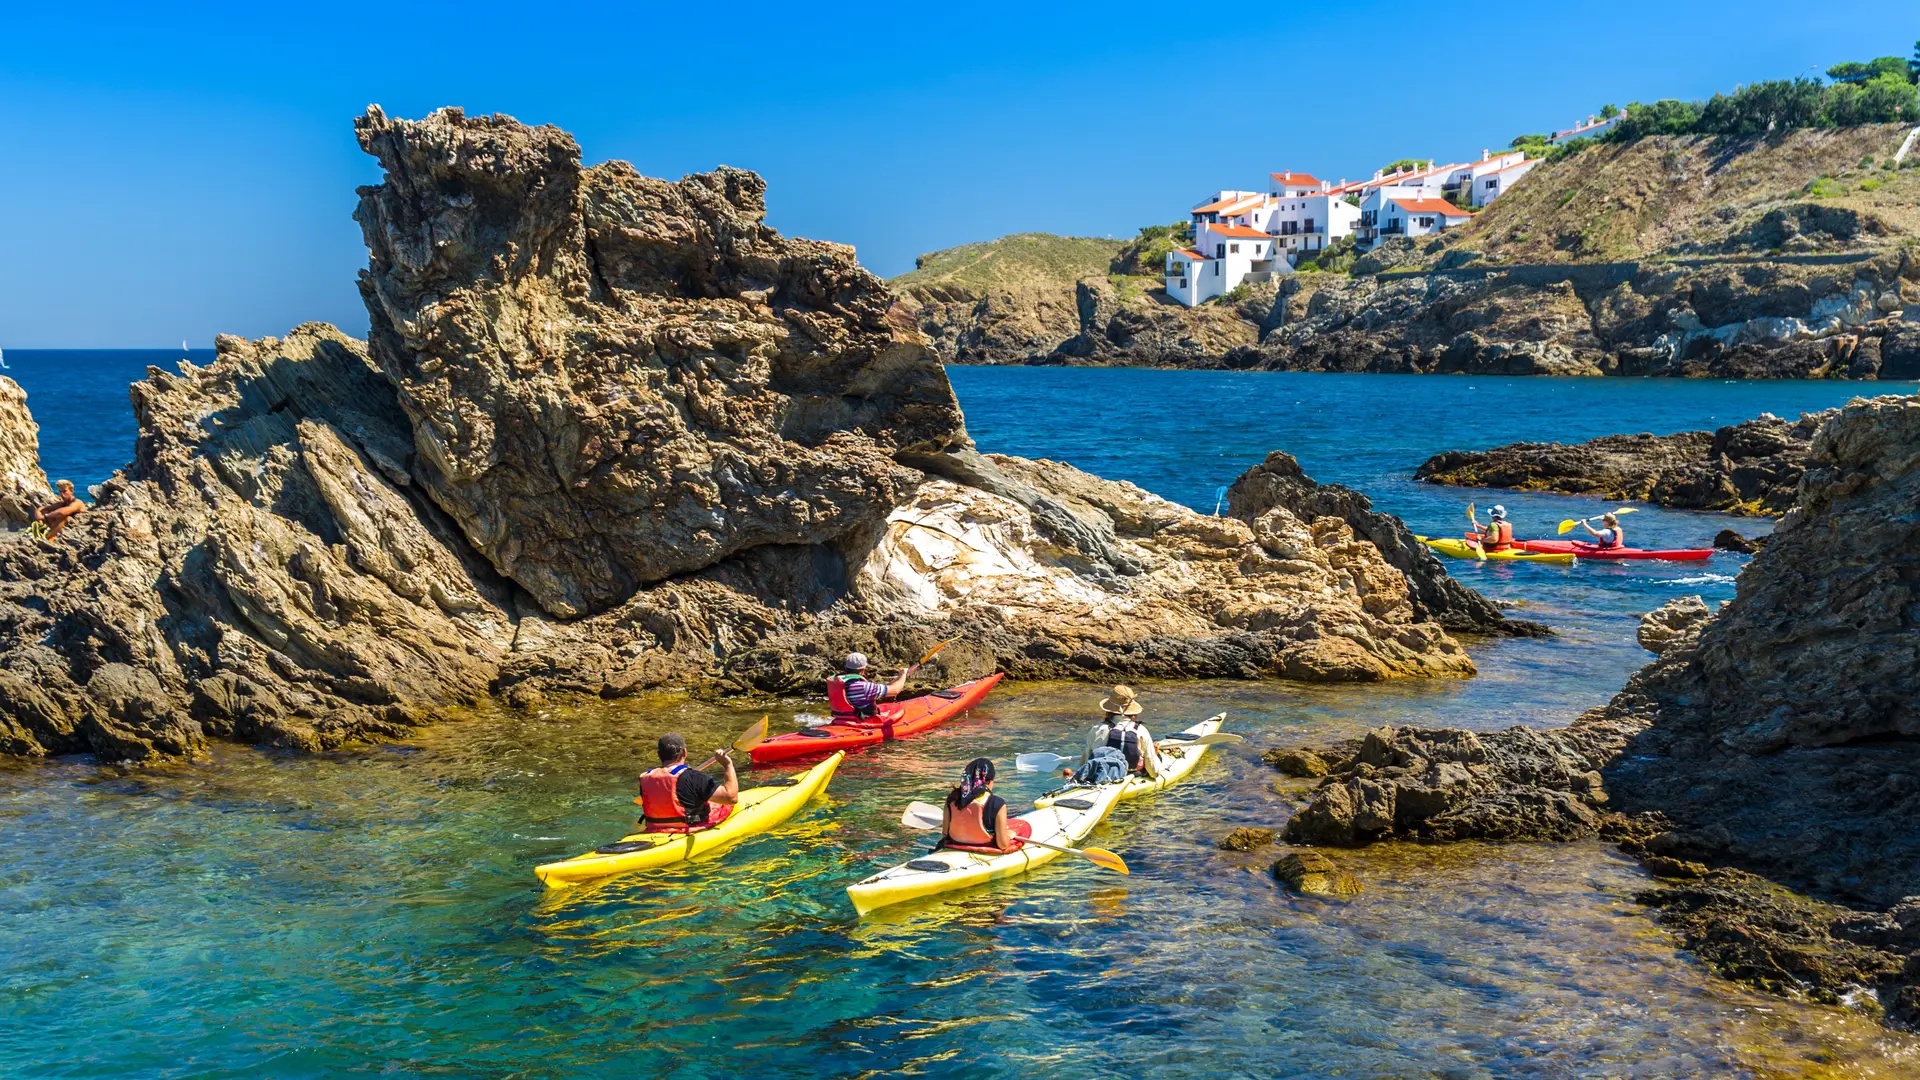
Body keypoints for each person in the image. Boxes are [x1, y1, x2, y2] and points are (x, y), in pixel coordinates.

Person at [636, 733, 739, 833]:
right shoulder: (694, 777)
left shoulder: (645, 777)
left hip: (653, 828)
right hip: (687, 828)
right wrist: (727, 765)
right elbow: (731, 798)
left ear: (659, 755)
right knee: (718, 804)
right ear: (685, 752)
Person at [940, 757, 1029, 853]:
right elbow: (1002, 845)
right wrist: (1008, 836)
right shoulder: (997, 803)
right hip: (986, 847)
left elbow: (945, 835)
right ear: (989, 781)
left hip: (956, 845)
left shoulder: (951, 799)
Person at [1086, 684, 1162, 779]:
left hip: (1101, 776)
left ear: (1109, 709)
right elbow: (1154, 772)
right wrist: (1155, 754)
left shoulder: (1097, 729)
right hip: (1132, 776)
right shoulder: (1141, 731)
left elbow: (1086, 763)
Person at [826, 652, 915, 723]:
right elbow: (895, 690)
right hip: (861, 721)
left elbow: (887, 687)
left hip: (840, 719)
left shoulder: (836, 680)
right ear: (862, 670)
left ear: (846, 667)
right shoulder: (864, 687)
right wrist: (903, 675)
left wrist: (898, 678)